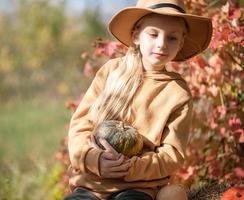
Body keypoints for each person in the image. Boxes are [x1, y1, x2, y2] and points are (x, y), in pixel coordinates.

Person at [65, 0, 212, 200]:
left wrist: (128, 168)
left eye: (172, 38)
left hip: (138, 188)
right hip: (91, 184)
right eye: (153, 34)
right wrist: (95, 160)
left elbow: (171, 155)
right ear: (136, 36)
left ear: (181, 43)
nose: (161, 43)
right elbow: (79, 127)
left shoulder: (177, 93)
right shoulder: (111, 72)